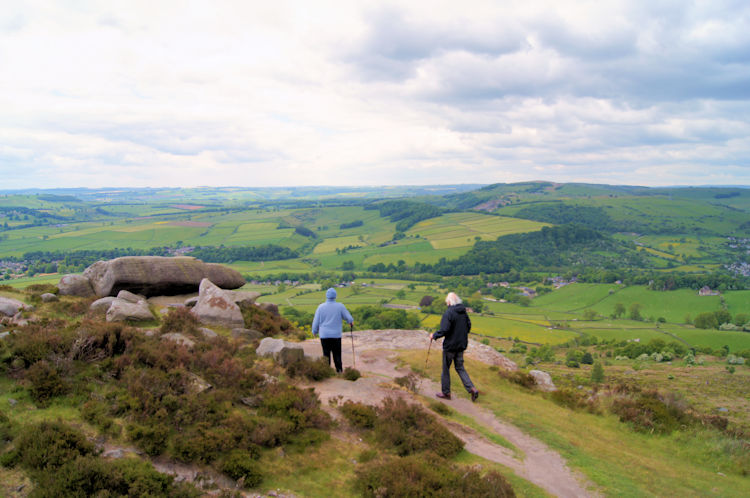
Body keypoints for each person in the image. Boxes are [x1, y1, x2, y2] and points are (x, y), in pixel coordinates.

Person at [431, 292, 479, 402]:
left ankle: (446, 393)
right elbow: (468, 326)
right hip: (461, 345)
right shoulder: (464, 313)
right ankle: (472, 388)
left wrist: (434, 336)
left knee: (446, 369)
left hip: (450, 346)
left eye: (446, 302)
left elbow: (445, 329)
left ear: (449, 302)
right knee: (460, 367)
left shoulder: (449, 313)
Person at [312, 287, 354, 373]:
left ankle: (327, 372)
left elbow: (316, 321)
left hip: (324, 335)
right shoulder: (340, 306)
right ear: (335, 296)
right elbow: (349, 318)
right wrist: (350, 322)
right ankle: (339, 371)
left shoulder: (320, 307)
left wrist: (314, 331)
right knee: (337, 355)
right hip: (336, 335)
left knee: (326, 355)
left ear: (326, 296)